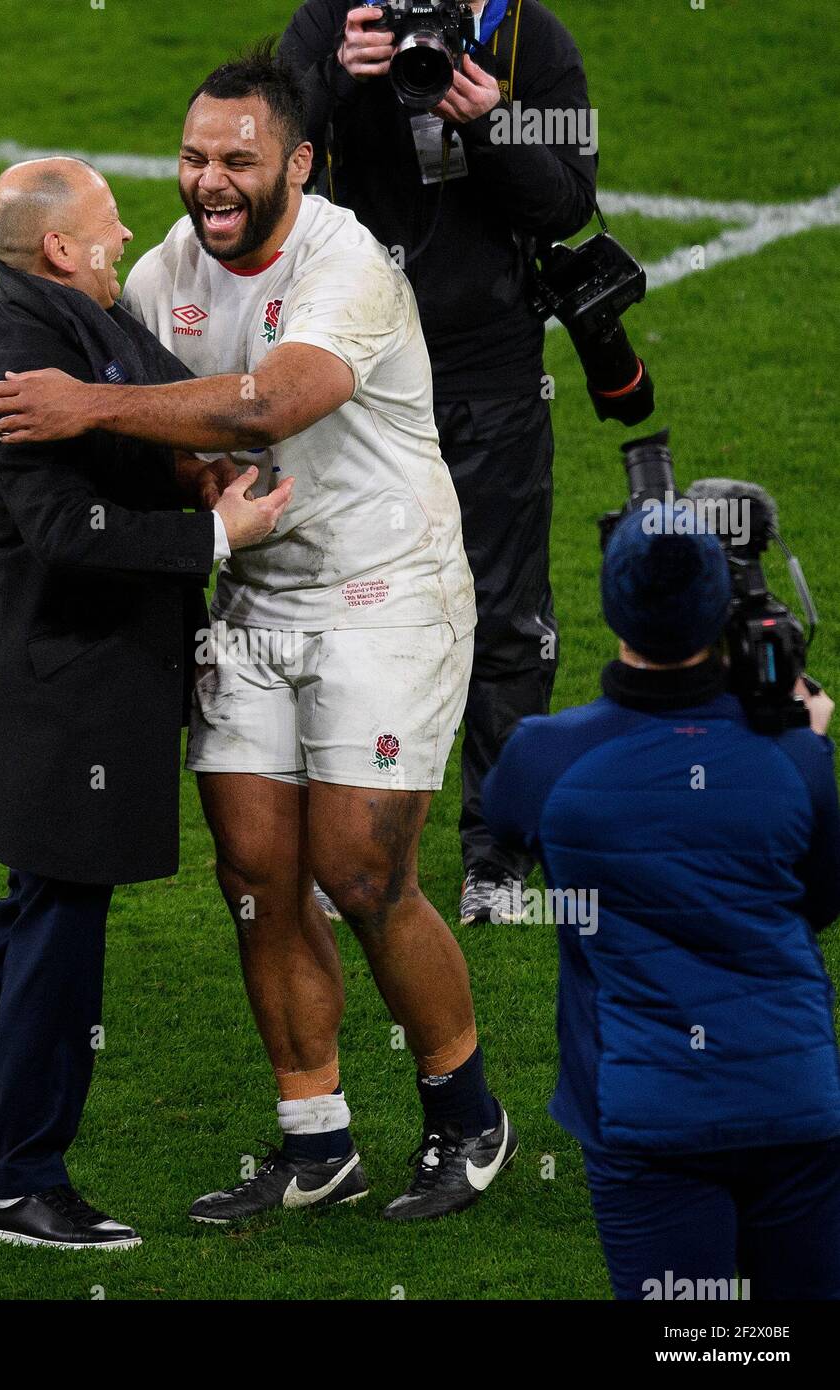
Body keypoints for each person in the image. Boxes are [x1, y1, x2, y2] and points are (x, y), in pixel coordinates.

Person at [0, 46, 518, 1225]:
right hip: (254, 594)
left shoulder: (345, 265)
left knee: (359, 872)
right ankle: (313, 1140)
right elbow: (151, 412)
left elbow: (271, 399)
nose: (208, 182)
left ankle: (465, 1111)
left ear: (297, 164)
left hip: (386, 590)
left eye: (236, 161)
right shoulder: (169, 267)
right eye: (191, 158)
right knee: (258, 879)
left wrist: (90, 406)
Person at [0, 157, 290, 1251]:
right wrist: (213, 536)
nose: (125, 237)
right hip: (69, 683)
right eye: (109, 225)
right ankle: (22, 1183)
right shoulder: (18, 350)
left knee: (35, 902)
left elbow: (149, 400)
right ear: (61, 248)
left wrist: (194, 463)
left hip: (82, 676)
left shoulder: (77, 318)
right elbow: (62, 531)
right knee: (62, 923)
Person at [280, 1, 598, 923]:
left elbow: (569, 201)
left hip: (486, 371)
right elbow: (263, 160)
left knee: (502, 615)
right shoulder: (336, 21)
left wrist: (489, 124)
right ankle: (357, 843)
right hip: (359, 368)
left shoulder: (528, 40)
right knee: (351, 602)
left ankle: (495, 854)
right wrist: (335, 77)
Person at [482, 506, 840, 1299]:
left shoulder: (545, 755)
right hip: (793, 1098)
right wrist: (803, 731)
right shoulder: (794, 757)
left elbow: (506, 815)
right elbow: (813, 902)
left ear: (608, 607)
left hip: (645, 1111)